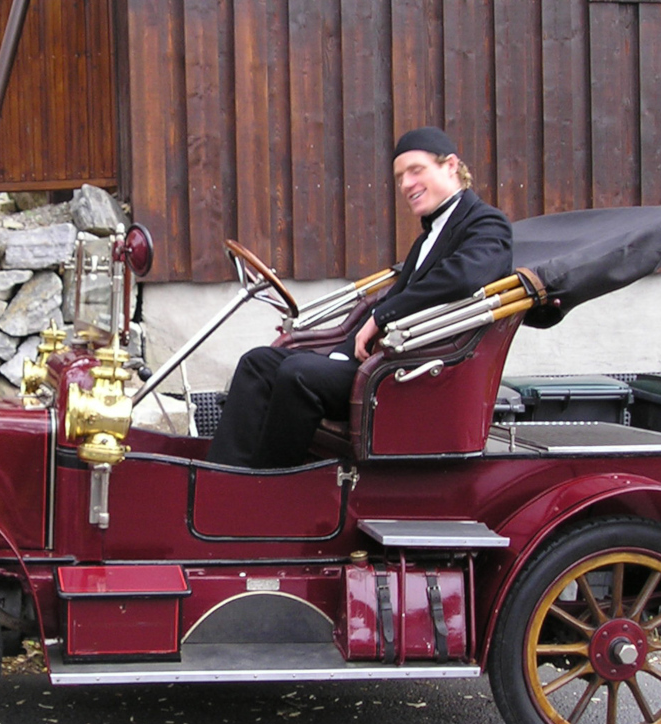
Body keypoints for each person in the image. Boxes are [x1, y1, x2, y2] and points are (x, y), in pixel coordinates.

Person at [206, 126, 513, 468]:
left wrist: (380, 318)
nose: (406, 184)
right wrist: (344, 349)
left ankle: (272, 485)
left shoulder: (487, 224)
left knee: (298, 373)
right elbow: (398, 295)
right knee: (258, 363)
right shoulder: (428, 236)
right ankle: (226, 475)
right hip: (377, 358)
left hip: (411, 373)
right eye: (400, 177)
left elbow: (463, 277)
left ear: (451, 166)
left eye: (416, 171)